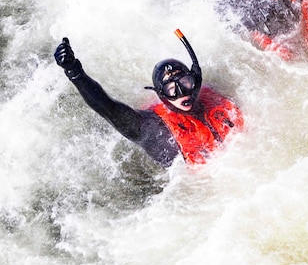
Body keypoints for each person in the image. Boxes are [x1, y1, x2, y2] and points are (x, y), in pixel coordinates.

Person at [53, 30, 243, 166]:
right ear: (161, 94)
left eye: (185, 83)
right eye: (171, 89)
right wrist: (75, 73)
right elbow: (109, 108)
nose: (182, 93)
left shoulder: (214, 96)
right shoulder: (154, 129)